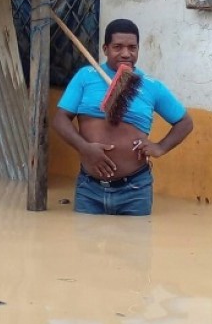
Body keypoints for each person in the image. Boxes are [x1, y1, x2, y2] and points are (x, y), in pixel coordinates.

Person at [51, 18, 193, 215]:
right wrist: (84, 148)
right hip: (89, 188)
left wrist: (160, 147)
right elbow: (60, 120)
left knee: (134, 244)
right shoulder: (86, 76)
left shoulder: (151, 86)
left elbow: (184, 123)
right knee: (83, 244)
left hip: (135, 190)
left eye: (132, 47)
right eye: (118, 47)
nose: (126, 54)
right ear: (105, 48)